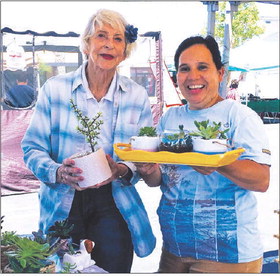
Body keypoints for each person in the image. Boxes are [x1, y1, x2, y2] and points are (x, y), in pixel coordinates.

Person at [21, 9, 156, 273]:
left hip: (114, 200)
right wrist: (58, 172)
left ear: (125, 51)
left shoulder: (137, 96)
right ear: (86, 44)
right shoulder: (55, 89)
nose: (109, 44)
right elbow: (32, 147)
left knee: (115, 268)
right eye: (101, 36)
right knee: (66, 268)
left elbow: (143, 154)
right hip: (63, 200)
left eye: (118, 39)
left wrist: (121, 169)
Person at [136, 35, 271, 273]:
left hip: (226, 254)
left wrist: (218, 163)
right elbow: (161, 180)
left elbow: (261, 180)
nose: (193, 76)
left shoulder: (239, 116)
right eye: (184, 69)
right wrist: (149, 170)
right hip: (175, 250)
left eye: (203, 67)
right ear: (177, 77)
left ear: (220, 73)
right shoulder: (170, 118)